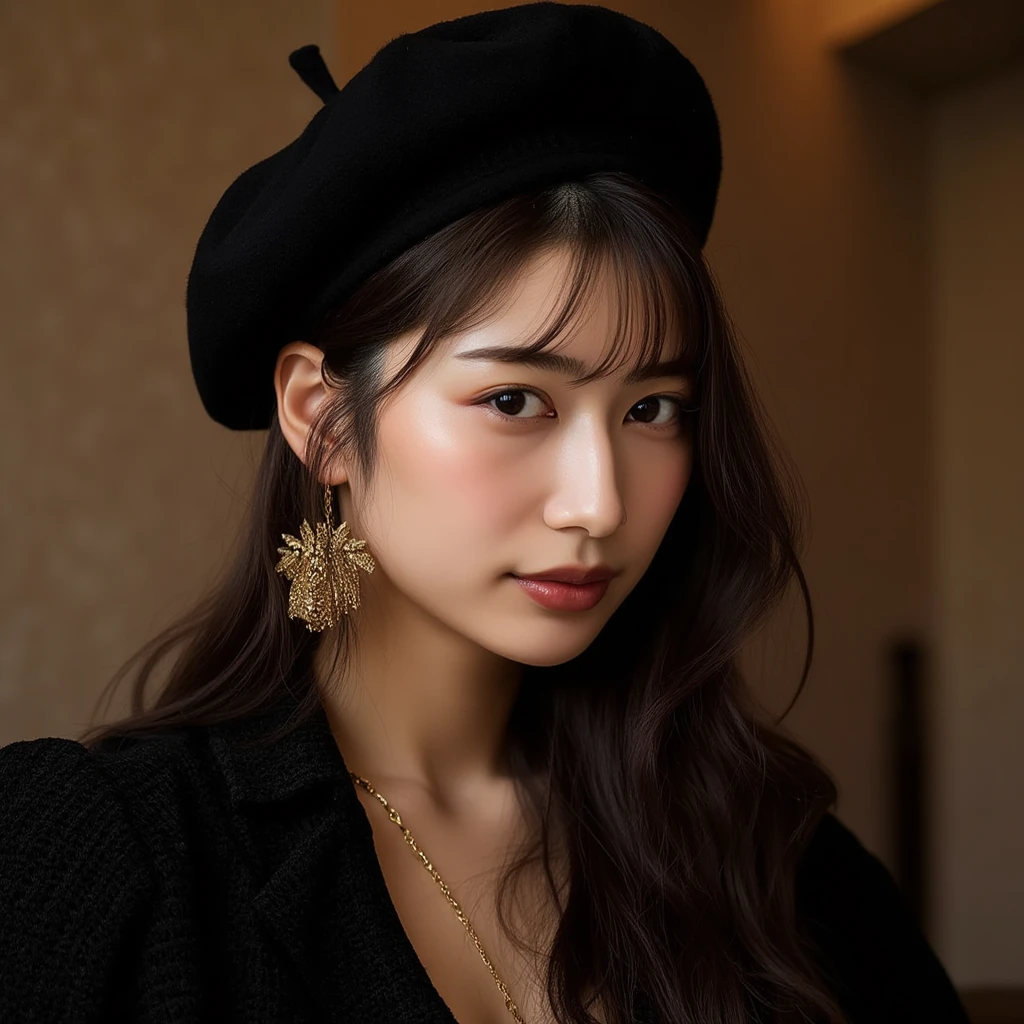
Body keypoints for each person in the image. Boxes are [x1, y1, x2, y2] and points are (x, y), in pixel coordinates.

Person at [0, 4, 969, 1023]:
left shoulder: (779, 862)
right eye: (514, 400)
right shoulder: (105, 860)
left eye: (652, 409)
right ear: (322, 418)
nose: (598, 502)